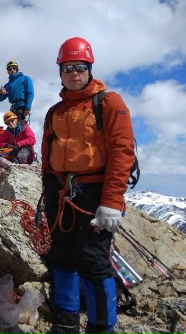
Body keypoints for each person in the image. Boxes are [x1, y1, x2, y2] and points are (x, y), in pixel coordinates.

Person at [41, 37, 135, 334]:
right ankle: (65, 324)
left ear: (90, 68)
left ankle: (101, 328)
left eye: (79, 67)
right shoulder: (54, 111)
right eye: (67, 67)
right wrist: (48, 194)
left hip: (93, 194)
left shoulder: (108, 102)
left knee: (94, 263)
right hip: (61, 193)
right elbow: (47, 156)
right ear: (60, 71)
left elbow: (122, 152)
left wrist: (112, 201)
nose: (73, 73)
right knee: (62, 258)